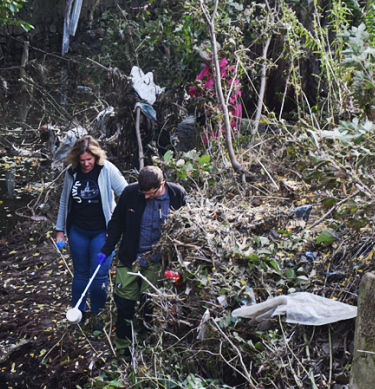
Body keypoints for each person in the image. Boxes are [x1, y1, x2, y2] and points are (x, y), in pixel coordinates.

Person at [98, 166, 188, 353]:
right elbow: (117, 224)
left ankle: (148, 349)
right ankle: (123, 350)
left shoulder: (177, 194)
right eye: (143, 193)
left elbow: (187, 226)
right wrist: (107, 249)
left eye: (150, 193)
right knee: (124, 306)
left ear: (161, 185)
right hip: (131, 258)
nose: (146, 197)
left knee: (150, 306)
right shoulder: (131, 193)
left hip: (157, 261)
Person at [55, 135, 127, 328]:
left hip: (102, 233)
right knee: (80, 275)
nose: (86, 164)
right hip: (77, 230)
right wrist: (60, 230)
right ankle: (78, 315)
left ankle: (97, 317)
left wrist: (116, 224)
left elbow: (126, 194)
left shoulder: (107, 169)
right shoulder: (71, 172)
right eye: (82, 160)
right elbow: (64, 201)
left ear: (96, 156)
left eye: (89, 160)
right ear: (76, 159)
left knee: (98, 276)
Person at [188, 39, 242, 144]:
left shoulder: (228, 70)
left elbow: (233, 97)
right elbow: (193, 88)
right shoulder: (208, 70)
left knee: (221, 141)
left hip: (227, 113)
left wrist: (216, 107)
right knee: (208, 141)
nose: (205, 63)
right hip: (211, 113)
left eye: (207, 60)